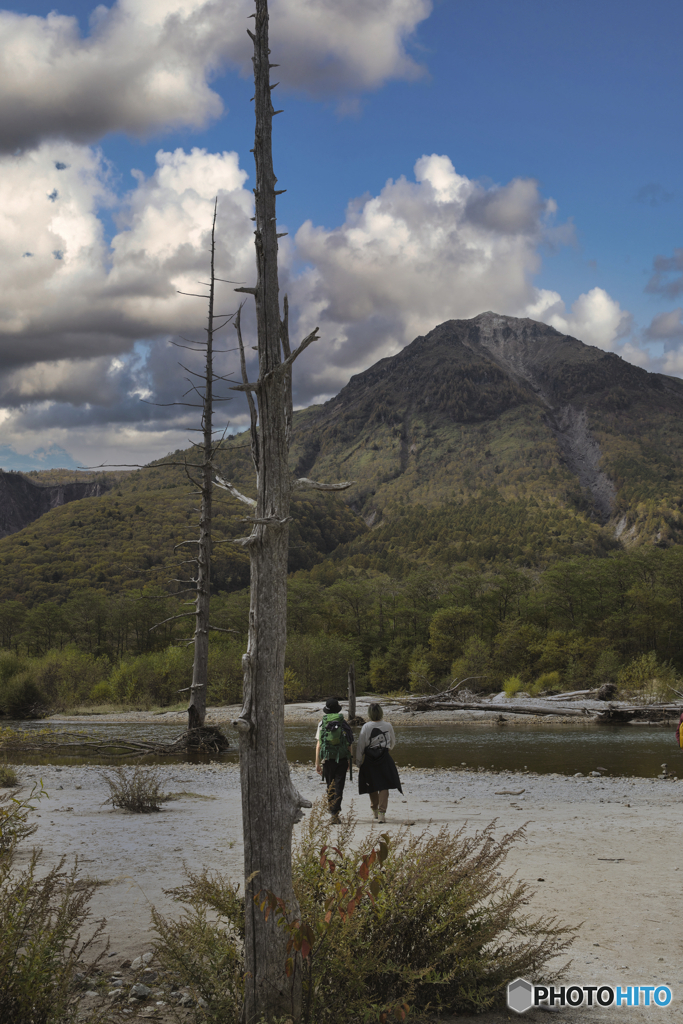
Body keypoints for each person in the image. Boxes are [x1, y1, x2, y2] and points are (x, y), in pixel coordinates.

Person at [355, 702, 402, 823]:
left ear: (369, 714)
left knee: (371, 784)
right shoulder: (388, 725)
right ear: (381, 712)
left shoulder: (366, 726)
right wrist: (386, 749)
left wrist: (358, 761)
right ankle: (382, 812)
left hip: (370, 758)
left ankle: (374, 810)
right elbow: (392, 742)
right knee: (384, 785)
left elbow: (361, 745)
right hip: (384, 757)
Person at [315, 697, 354, 823]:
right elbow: (349, 743)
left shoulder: (322, 723)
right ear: (338, 710)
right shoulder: (344, 723)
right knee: (339, 786)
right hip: (341, 758)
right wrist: (349, 760)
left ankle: (332, 810)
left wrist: (317, 762)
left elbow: (319, 744)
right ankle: (335, 814)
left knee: (329, 786)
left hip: (327, 759)